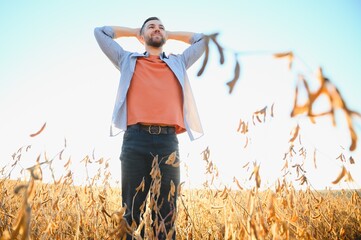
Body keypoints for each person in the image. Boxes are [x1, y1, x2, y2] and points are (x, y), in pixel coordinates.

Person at [94, 17, 206, 239]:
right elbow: (100, 32)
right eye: (151, 27)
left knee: (166, 214)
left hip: (168, 142)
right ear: (142, 36)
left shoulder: (178, 62)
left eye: (161, 27)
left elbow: (202, 40)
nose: (157, 29)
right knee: (131, 211)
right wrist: (134, 30)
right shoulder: (127, 59)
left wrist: (169, 33)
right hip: (135, 140)